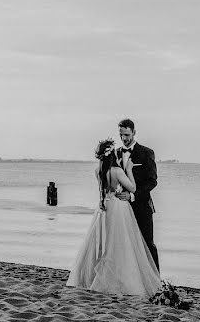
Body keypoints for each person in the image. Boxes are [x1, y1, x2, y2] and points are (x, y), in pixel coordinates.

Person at [66, 138, 161, 297]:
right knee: (121, 244)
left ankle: (92, 277)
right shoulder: (117, 171)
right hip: (118, 207)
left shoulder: (98, 171)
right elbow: (133, 187)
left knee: (104, 244)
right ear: (111, 154)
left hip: (104, 208)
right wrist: (129, 169)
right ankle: (119, 278)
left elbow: (101, 192)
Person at [114, 118, 159, 271]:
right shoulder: (116, 153)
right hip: (121, 208)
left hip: (142, 206)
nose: (124, 138)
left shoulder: (147, 153)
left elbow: (152, 181)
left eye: (127, 134)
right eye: (121, 135)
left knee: (147, 244)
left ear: (134, 132)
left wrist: (133, 196)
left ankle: (156, 280)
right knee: (125, 245)